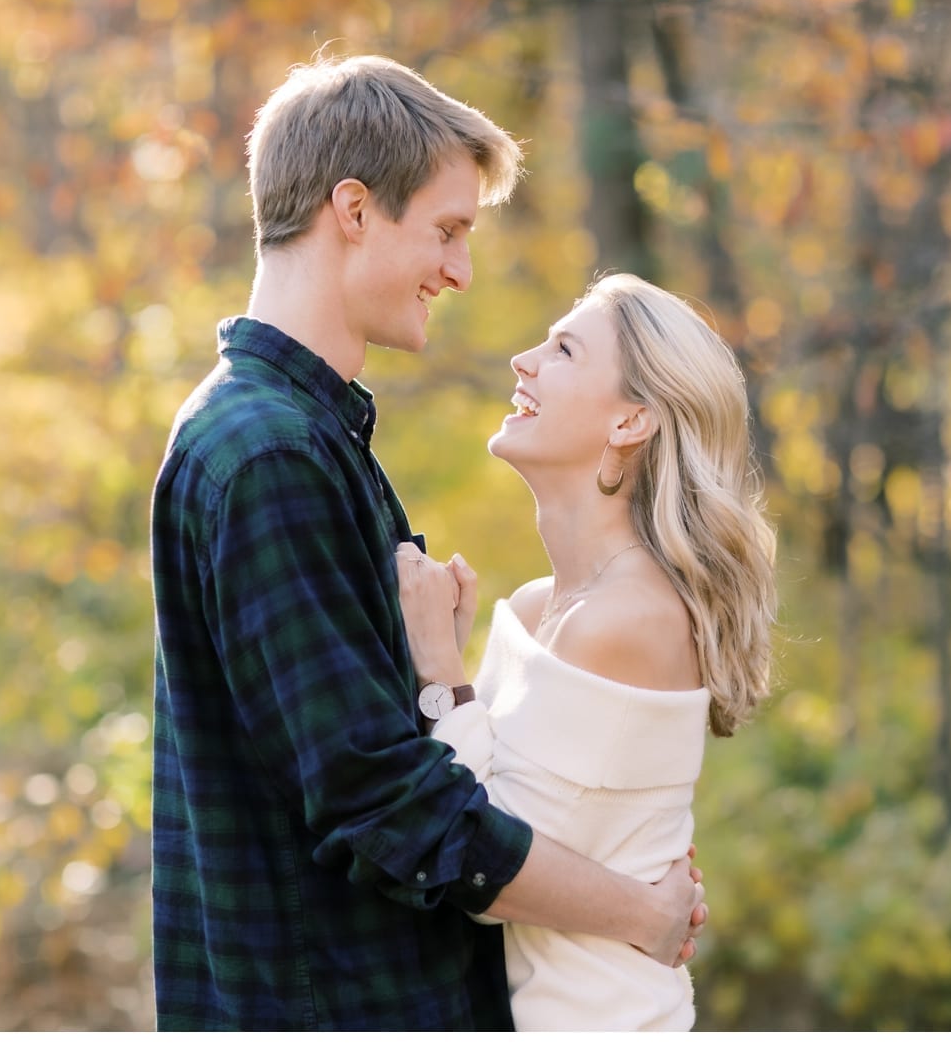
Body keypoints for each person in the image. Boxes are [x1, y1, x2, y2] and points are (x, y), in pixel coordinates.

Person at [150, 54, 706, 1032]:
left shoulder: (299, 439)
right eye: (447, 231)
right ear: (353, 210)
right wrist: (641, 914)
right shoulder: (272, 458)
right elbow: (386, 808)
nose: (460, 270)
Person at [395, 272, 779, 1031]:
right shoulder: (541, 605)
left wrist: (443, 670)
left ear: (631, 421)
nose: (523, 361)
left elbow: (484, 864)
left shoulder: (628, 619)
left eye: (563, 349)